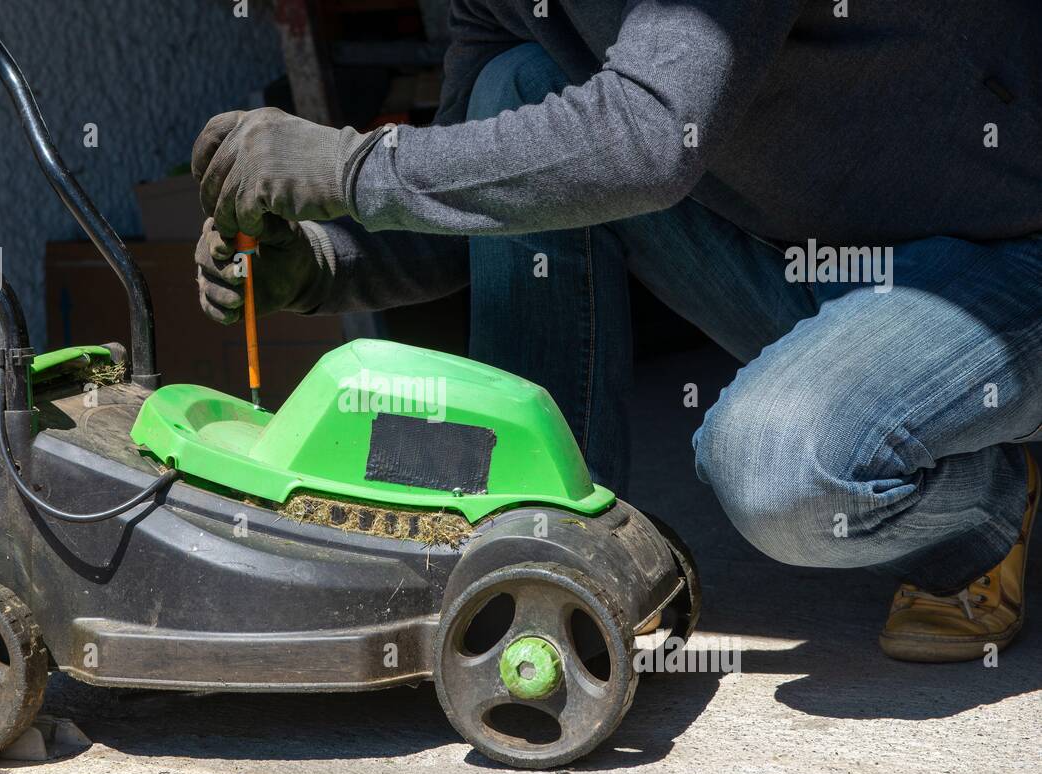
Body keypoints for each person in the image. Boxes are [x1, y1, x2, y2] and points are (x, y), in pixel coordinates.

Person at [190, 1, 1042, 663]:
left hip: (1009, 255)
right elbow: (480, 192)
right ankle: (552, 551)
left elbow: (647, 138)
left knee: (784, 472)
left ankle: (990, 506)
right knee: (514, 90)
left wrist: (348, 167)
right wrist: (327, 259)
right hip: (822, 263)